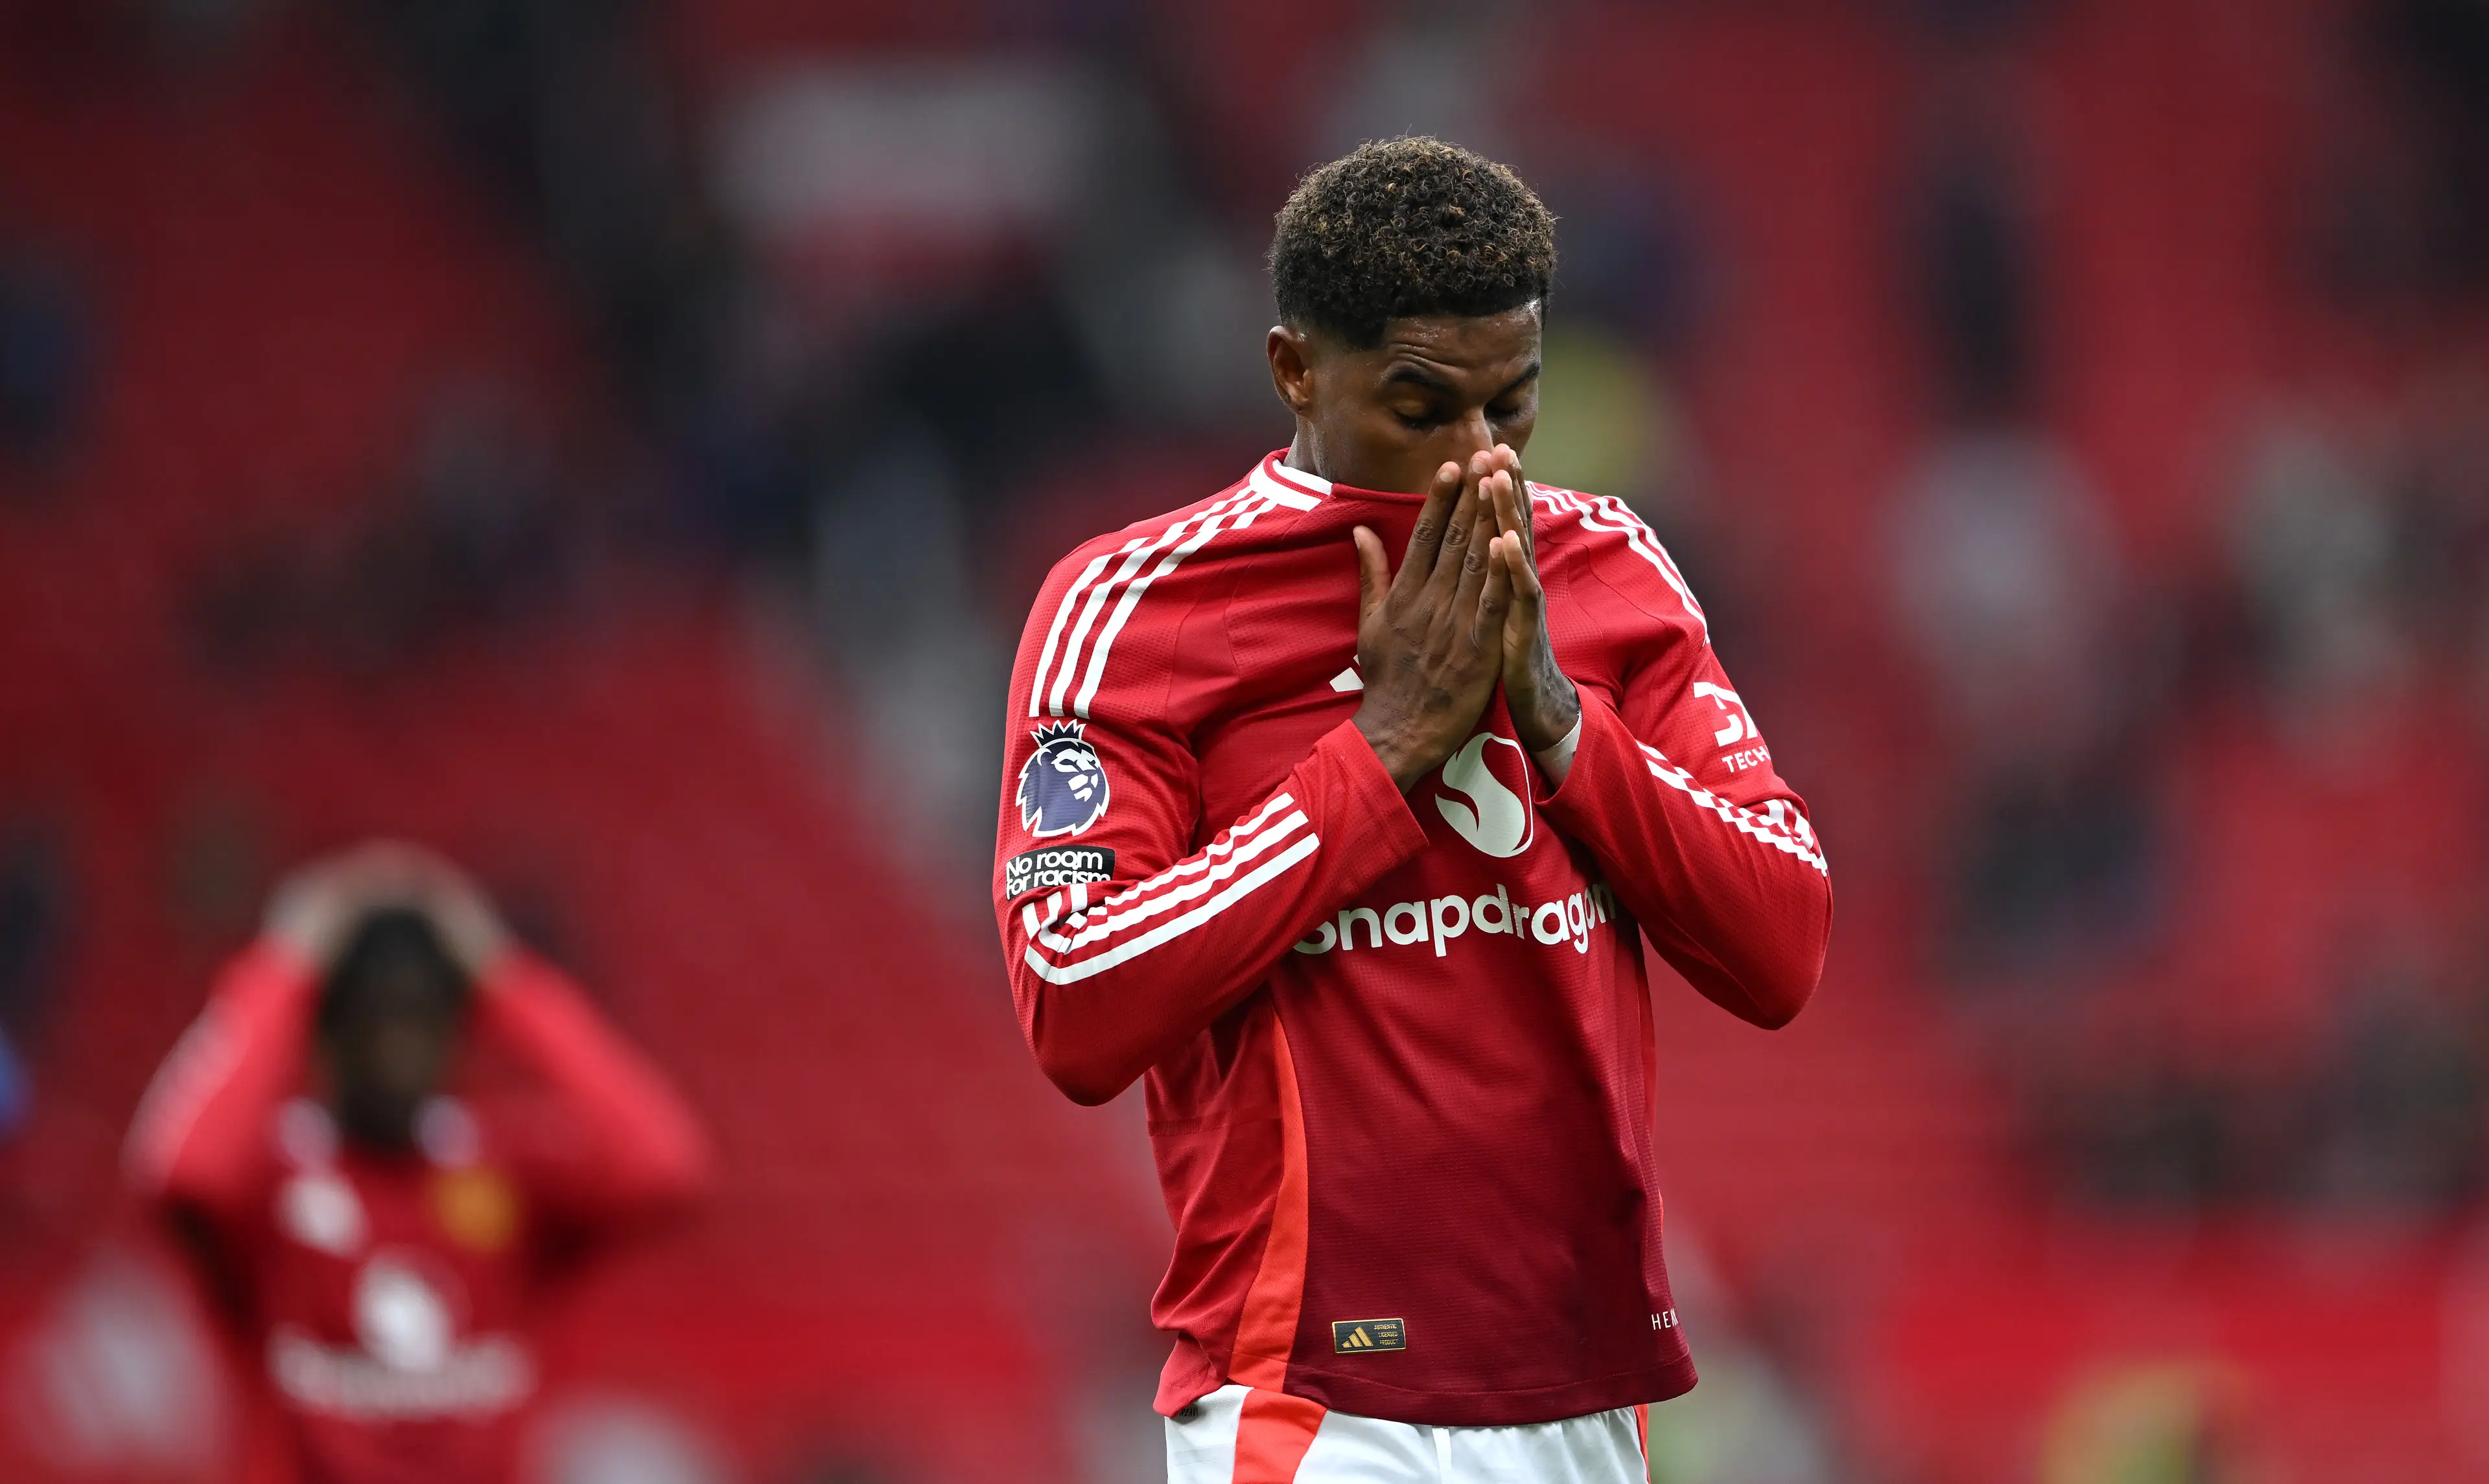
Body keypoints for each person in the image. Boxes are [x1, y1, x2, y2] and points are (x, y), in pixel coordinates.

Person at [990, 138, 1832, 1483]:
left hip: (1582, 1394)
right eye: (1423, 405)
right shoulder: (1133, 607)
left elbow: (1785, 942)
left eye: (1514, 405)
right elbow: (1075, 994)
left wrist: (1557, 718)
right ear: (1295, 371)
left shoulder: (1608, 568)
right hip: (1311, 1399)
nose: (1476, 460)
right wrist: (1381, 757)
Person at [125, 843, 708, 1484]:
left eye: (424, 1023)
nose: (401, 1051)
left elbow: (666, 1164)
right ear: (325, 1034)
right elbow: (180, 1172)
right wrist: (284, 965)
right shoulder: (271, 1181)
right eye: (378, 1022)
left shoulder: (506, 1172)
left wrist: (504, 974)